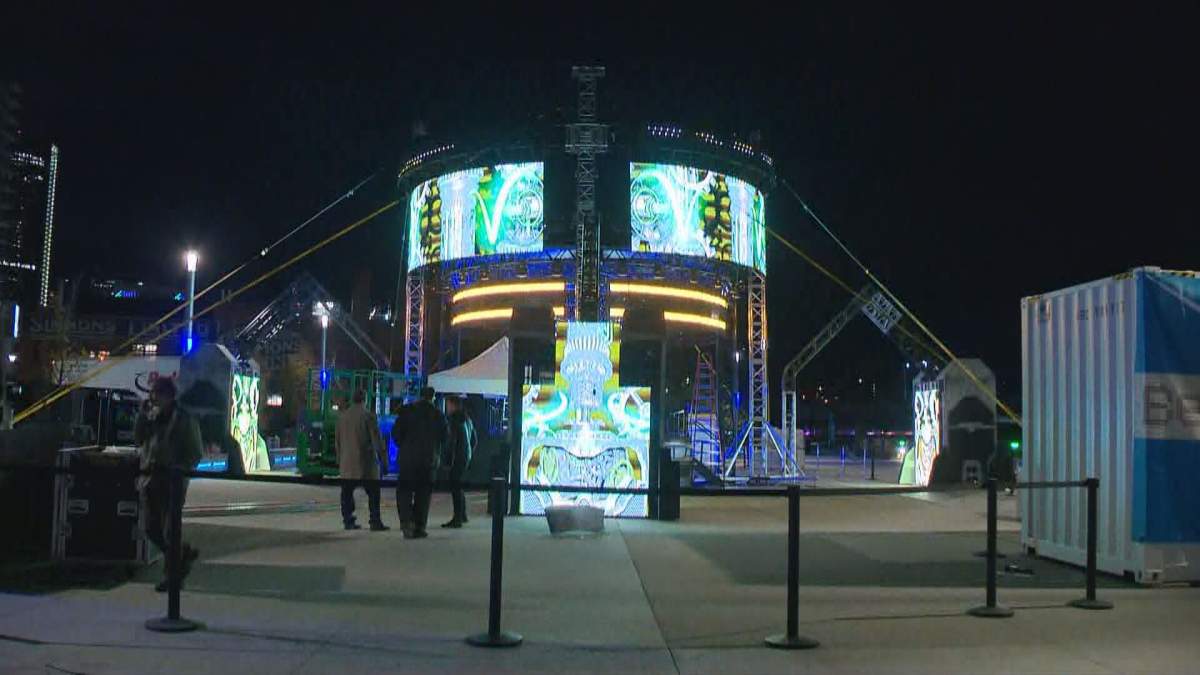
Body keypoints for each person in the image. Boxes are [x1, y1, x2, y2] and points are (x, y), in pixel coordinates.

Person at [134, 377, 204, 592]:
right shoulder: (151, 417)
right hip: (150, 478)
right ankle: (181, 555)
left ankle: (172, 578)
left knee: (170, 531)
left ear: (169, 396)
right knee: (150, 528)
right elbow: (139, 440)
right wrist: (142, 416)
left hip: (172, 481)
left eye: (157, 394)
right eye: (152, 394)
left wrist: (179, 470)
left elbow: (195, 451)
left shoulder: (183, 418)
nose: (153, 398)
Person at [391, 386, 448, 539]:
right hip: (428, 461)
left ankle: (407, 522)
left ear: (419, 396)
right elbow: (445, 437)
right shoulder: (438, 415)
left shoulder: (407, 412)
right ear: (433, 397)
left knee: (404, 492)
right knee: (424, 495)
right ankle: (420, 526)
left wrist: (405, 446)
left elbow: (395, 435)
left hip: (408, 460)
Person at [336, 389, 389, 531]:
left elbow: (338, 441)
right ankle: (375, 520)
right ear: (365, 399)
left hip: (347, 462)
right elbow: (377, 441)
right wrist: (384, 461)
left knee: (346, 493)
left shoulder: (342, 417)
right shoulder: (368, 416)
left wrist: (339, 460)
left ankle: (348, 520)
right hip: (365, 462)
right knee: (373, 493)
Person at [441, 395, 477, 528]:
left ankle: (457, 518)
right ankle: (462, 514)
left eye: (448, 405)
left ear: (452, 405)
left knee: (455, 487)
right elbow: (474, 439)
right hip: (465, 456)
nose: (447, 408)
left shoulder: (454, 420)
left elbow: (451, 442)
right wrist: (469, 453)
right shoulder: (467, 419)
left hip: (457, 457)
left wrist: (447, 459)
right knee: (459, 486)